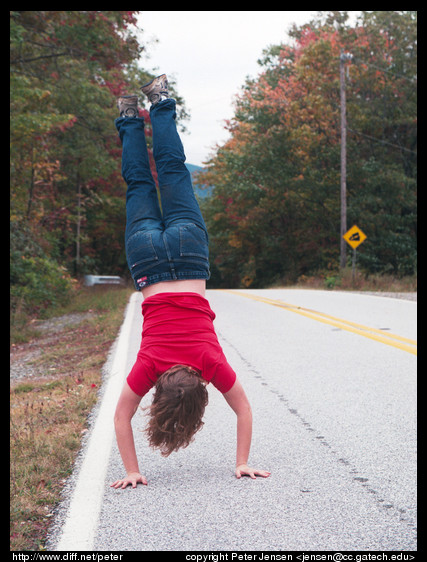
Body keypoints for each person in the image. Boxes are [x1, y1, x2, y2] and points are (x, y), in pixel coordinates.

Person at [110, 75, 270, 489]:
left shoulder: (209, 364)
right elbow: (122, 417)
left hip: (188, 252)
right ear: (159, 395)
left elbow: (244, 410)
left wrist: (243, 461)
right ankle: (128, 115)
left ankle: (160, 100)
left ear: (201, 391)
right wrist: (132, 470)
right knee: (139, 185)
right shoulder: (148, 369)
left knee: (172, 171)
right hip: (147, 258)